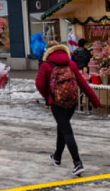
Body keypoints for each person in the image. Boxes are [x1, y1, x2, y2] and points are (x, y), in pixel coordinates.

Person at [35, 40, 101, 177]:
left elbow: (39, 84)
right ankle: (57, 157)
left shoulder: (46, 65)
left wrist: (49, 97)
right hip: (72, 101)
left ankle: (77, 163)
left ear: (48, 51)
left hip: (57, 102)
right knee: (63, 127)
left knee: (66, 130)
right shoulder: (71, 64)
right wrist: (95, 100)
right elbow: (83, 83)